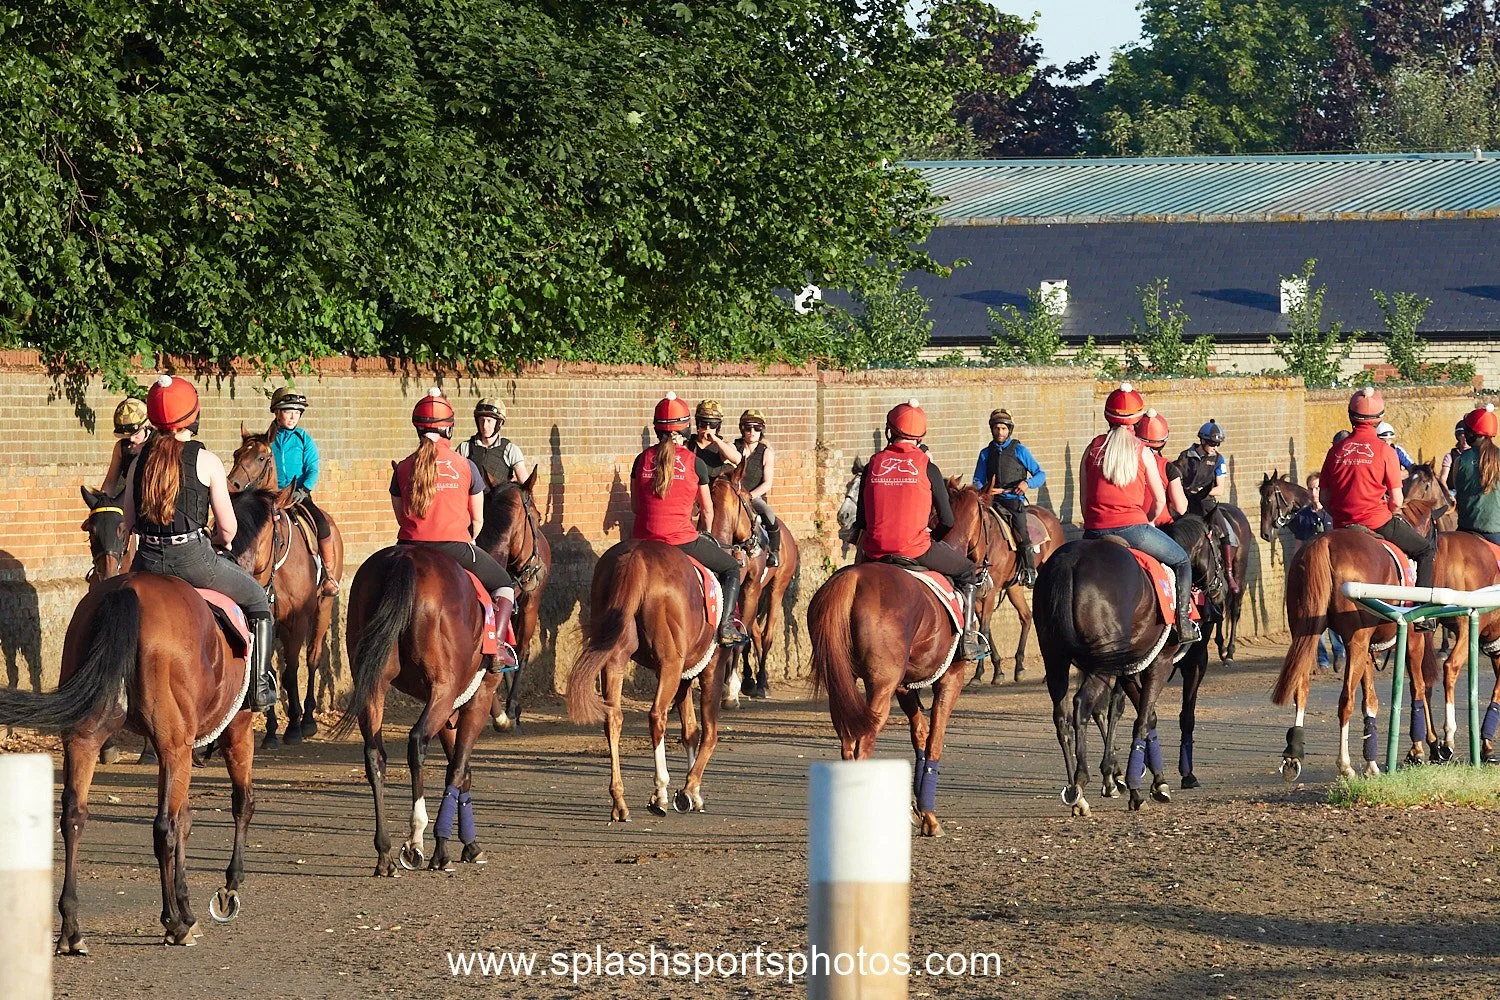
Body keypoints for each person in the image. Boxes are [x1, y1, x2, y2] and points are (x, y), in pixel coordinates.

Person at [123, 375, 277, 710]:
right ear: (193, 416)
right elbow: (228, 529)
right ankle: (260, 687)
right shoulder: (206, 460)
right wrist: (219, 542)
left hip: (146, 562)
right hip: (193, 561)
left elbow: (129, 523)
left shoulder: (138, 461)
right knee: (257, 599)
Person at [390, 389, 518, 665]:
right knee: (504, 584)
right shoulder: (466, 465)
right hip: (454, 547)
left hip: (408, 547)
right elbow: (478, 520)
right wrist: (468, 538)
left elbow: (401, 517)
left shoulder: (402, 468)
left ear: (417, 428)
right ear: (449, 429)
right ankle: (497, 648)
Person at [851, 399, 985, 660]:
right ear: (921, 437)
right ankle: (968, 639)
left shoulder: (873, 465)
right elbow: (947, 520)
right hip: (915, 550)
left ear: (889, 431)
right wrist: (933, 538)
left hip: (874, 551)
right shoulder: (928, 467)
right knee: (969, 571)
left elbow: (862, 521)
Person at [1081, 384, 1199, 643]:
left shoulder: (1092, 448)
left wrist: (1093, 524)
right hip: (1133, 529)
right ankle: (1183, 623)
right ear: (1136, 421)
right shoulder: (1143, 452)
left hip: (1093, 531)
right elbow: (1159, 500)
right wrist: (1150, 522)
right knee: (1181, 561)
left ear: (1107, 417)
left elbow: (1083, 499)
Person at [630, 393, 748, 645]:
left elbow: (635, 508)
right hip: (680, 540)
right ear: (685, 429)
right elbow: (707, 511)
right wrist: (706, 533)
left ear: (656, 428)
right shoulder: (695, 463)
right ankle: (727, 626)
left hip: (641, 541)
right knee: (730, 568)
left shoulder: (640, 460)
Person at [1320, 387, 1436, 629]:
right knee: (1425, 550)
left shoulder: (1335, 450)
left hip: (1341, 526)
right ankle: (1423, 615)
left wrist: (1344, 516)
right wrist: (1386, 510)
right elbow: (1397, 501)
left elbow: (1324, 498)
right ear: (1380, 419)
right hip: (1377, 522)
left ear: (1350, 416)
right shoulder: (1385, 450)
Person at [266, 387, 339, 596]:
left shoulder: (304, 439)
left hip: (299, 494)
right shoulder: (267, 440)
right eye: (288, 411)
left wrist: (304, 489)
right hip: (272, 495)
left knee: (322, 524)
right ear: (276, 412)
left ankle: (328, 574)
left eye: (297, 413)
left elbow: (313, 468)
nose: (293, 417)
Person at [970, 408, 1045, 586]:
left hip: (1013, 500)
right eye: (996, 428)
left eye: (1003, 429)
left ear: (1009, 430)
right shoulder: (985, 453)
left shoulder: (1020, 450)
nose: (1000, 432)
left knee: (1021, 531)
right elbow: (978, 479)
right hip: (992, 501)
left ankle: (1029, 570)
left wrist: (1027, 483)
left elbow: (1040, 474)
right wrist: (984, 491)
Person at [1176, 418, 1240, 591]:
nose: (1215, 447)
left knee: (1226, 533)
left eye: (1218, 444)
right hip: (1186, 504)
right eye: (1212, 443)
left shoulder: (1218, 460)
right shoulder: (1185, 456)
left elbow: (1220, 489)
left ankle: (1229, 574)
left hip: (1206, 503)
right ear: (1202, 441)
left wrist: (1202, 491)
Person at [1290, 473, 1342, 671]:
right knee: (1313, 614)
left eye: (1318, 488)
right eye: (1311, 488)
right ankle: (1321, 659)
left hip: (1331, 571)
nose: (1314, 493)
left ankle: (1339, 652)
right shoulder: (1303, 516)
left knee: (1334, 611)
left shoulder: (1333, 513)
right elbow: (1299, 544)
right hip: (1312, 573)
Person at [735, 409, 781, 567]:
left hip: (754, 497)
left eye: (757, 428)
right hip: (734, 495)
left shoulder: (766, 452)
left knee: (769, 515)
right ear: (742, 429)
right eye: (748, 428)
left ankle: (774, 552)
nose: (752, 432)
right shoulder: (735, 447)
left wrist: (749, 496)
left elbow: (767, 483)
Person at [1453, 404, 1500, 545]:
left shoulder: (1460, 460)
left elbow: (1458, 488)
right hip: (1496, 531)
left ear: (1472, 433)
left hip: (1465, 529)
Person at [457, 398, 528, 486]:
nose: (484, 425)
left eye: (489, 421)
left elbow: (526, 485)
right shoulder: (465, 448)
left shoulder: (511, 450)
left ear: (500, 423)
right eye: (481, 420)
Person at [1135, 409, 1187, 527]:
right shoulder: (1167, 467)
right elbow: (1181, 508)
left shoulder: (1123, 460)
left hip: (1126, 522)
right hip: (1158, 525)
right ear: (1163, 442)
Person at [100, 397, 153, 495]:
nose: (131, 439)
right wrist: (102, 500)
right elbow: (110, 481)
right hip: (131, 496)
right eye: (127, 435)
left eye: (136, 434)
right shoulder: (121, 448)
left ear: (146, 426)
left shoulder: (159, 444)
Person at [686, 399, 740, 480]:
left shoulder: (722, 446)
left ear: (718, 426)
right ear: (698, 424)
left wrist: (716, 440)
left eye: (712, 425)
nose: (707, 428)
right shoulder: (688, 444)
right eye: (703, 424)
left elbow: (737, 459)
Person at [1441, 419, 1468, 501]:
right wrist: (1449, 495)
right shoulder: (1450, 456)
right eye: (1461, 435)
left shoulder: (1476, 456)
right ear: (1458, 437)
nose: (1464, 438)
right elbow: (1443, 479)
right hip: (1453, 491)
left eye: (1466, 435)